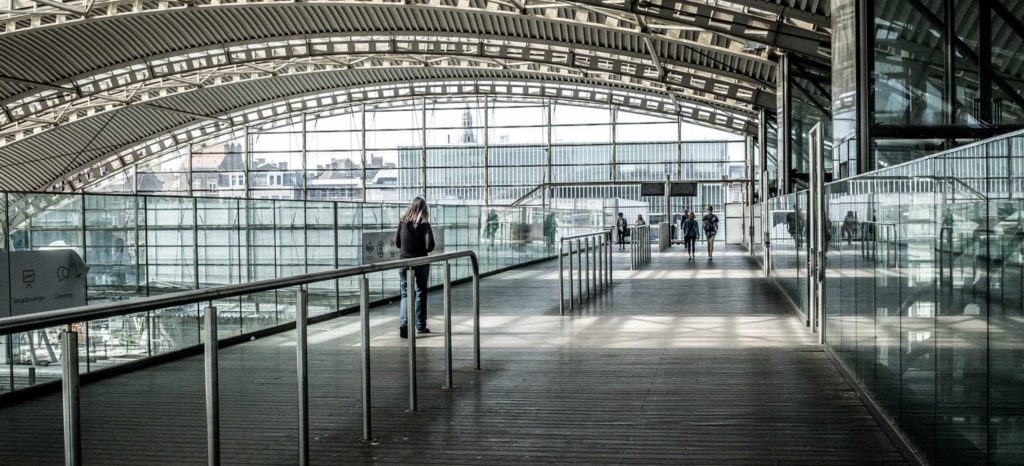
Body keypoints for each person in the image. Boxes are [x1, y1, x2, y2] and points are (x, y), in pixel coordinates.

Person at [395, 197, 436, 339]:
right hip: (421, 262)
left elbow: (397, 243)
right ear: (424, 209)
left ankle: (404, 324)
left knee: (405, 293)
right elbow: (430, 245)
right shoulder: (425, 224)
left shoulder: (402, 222)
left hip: (403, 262)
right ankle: (420, 325)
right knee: (421, 292)